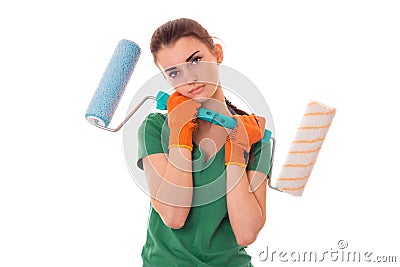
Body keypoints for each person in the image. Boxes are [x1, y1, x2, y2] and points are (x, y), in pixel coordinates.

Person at [137, 18, 272, 267]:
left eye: (196, 60)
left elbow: (246, 233)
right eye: (174, 72)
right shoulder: (155, 129)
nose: (190, 79)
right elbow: (174, 216)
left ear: (217, 54)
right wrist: (179, 133)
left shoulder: (254, 137)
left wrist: (238, 150)